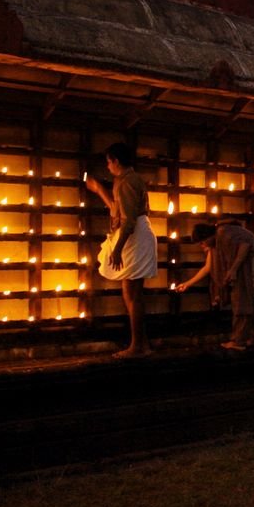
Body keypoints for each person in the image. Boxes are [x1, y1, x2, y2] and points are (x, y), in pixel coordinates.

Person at [85, 142, 157, 358]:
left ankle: (137, 346)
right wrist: (99, 190)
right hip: (137, 234)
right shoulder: (128, 180)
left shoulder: (126, 182)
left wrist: (117, 249)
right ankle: (141, 344)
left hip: (133, 237)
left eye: (108, 162)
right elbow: (119, 211)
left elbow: (127, 221)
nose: (108, 167)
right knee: (133, 293)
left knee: (132, 293)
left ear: (116, 160)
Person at [178, 221, 254, 350]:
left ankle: (239, 341)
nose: (202, 246)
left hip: (250, 264)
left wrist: (233, 269)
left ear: (208, 237)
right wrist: (187, 284)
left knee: (243, 302)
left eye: (202, 243)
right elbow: (208, 267)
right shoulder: (216, 243)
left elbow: (245, 246)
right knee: (251, 303)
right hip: (244, 267)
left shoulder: (223, 233)